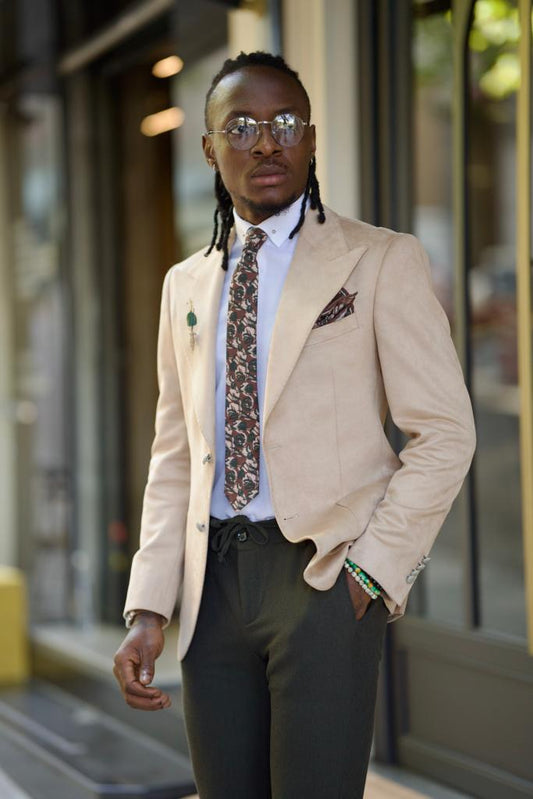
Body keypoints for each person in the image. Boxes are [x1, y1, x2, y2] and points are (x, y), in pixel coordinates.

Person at [113, 51, 476, 799]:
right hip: (211, 588)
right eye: (241, 127)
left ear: (310, 139)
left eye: (284, 123)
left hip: (321, 581)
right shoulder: (184, 284)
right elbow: (175, 453)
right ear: (209, 149)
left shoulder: (379, 260)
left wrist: (370, 574)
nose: (266, 143)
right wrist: (149, 605)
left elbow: (445, 432)